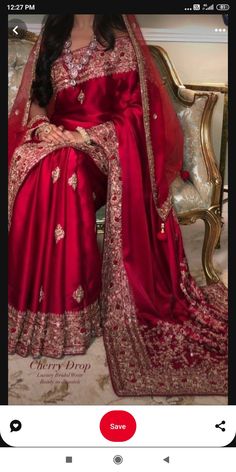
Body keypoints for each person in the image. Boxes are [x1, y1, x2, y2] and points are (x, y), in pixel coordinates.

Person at [8, 14, 227, 396]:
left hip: (99, 149)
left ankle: (73, 314)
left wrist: (83, 136)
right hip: (56, 138)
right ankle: (30, 307)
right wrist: (46, 129)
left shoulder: (120, 43)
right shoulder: (51, 39)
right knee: (35, 168)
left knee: (67, 169)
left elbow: (136, 117)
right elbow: (38, 104)